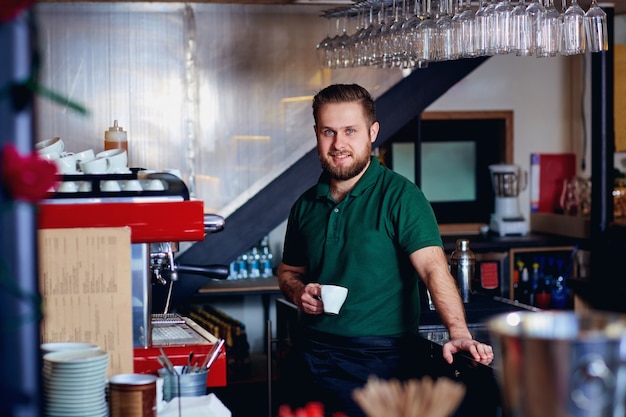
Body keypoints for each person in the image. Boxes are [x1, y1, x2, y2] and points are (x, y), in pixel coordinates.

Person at [277, 84, 493, 417]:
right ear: (316, 134)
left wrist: (459, 333)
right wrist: (298, 292)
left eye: (350, 131)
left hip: (380, 363)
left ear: (372, 132)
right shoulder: (305, 205)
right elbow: (289, 272)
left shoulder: (401, 197)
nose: (339, 144)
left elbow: (434, 268)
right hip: (309, 356)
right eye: (328, 132)